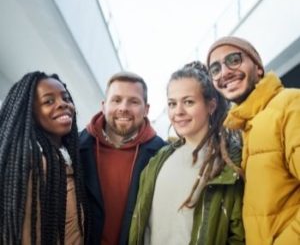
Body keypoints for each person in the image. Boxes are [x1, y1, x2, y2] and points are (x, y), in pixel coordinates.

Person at [129, 61, 245, 245]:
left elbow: (239, 236)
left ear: (211, 105)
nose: (178, 111)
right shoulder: (157, 161)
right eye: (172, 104)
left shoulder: (230, 163)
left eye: (188, 102)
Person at [206, 36, 300, 244]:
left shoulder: (290, 104)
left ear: (258, 68)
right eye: (215, 69)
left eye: (233, 60)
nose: (225, 72)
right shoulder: (246, 126)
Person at [0, 71, 88, 244]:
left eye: (66, 98)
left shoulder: (65, 157)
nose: (63, 104)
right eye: (49, 101)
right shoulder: (32, 163)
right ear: (30, 113)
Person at [79, 71, 165, 245]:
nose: (123, 108)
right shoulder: (76, 146)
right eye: (116, 100)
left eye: (133, 101)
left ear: (146, 109)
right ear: (103, 106)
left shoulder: (161, 153)